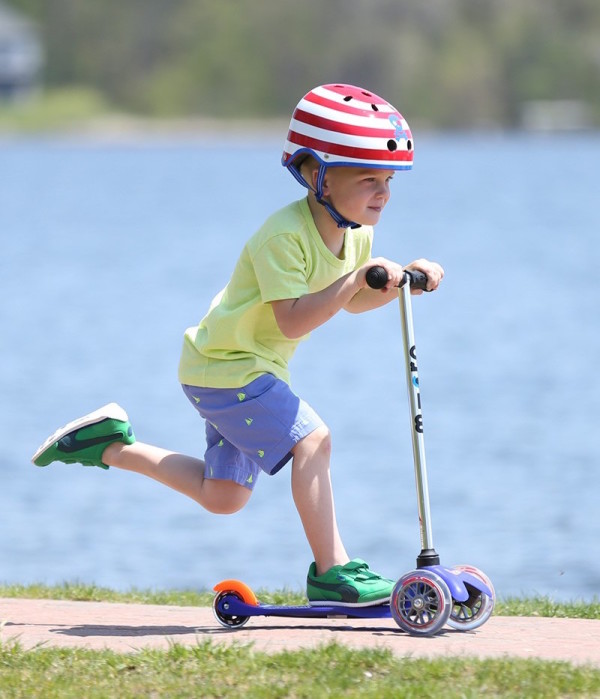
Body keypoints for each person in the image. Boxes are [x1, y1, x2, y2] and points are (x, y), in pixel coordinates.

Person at [32, 83, 444, 607]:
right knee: (313, 441)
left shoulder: (355, 233)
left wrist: (403, 281)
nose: (382, 192)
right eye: (368, 178)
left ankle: (106, 444)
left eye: (387, 180)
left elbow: (353, 301)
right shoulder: (283, 237)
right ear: (316, 174)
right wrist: (356, 279)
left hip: (239, 370)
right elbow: (294, 321)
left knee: (222, 497)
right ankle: (331, 570)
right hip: (226, 368)